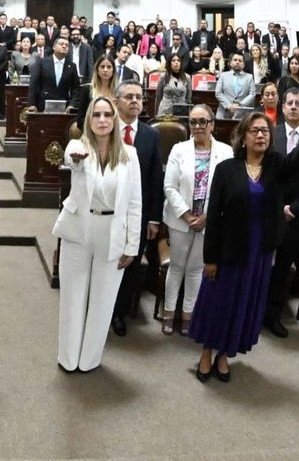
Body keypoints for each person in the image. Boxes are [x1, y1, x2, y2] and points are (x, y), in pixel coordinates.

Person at [189, 113, 299, 382]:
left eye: (265, 131)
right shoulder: (226, 169)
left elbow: (294, 162)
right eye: (254, 131)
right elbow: (213, 216)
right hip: (229, 250)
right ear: (243, 137)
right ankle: (206, 352)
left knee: (242, 303)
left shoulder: (275, 166)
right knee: (220, 303)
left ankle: (224, 355)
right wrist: (210, 258)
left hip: (258, 253)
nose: (261, 135)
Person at [54, 96, 142, 373]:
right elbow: (72, 159)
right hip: (79, 229)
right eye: (96, 115)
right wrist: (75, 157)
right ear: (88, 120)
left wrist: (132, 245)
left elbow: (135, 203)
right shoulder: (78, 147)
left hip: (112, 231)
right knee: (72, 297)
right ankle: (68, 358)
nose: (102, 120)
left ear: (115, 120)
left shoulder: (130, 154)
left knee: (103, 300)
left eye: (107, 115)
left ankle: (90, 359)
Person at [162, 105, 232, 336]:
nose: (198, 126)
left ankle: (188, 315)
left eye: (203, 121)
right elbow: (169, 187)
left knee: (195, 269)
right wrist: (186, 214)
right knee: (177, 267)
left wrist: (207, 218)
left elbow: (227, 191)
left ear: (212, 124)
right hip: (180, 219)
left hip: (209, 220)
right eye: (193, 122)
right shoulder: (179, 149)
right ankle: (169, 312)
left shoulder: (226, 152)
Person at [261, 87, 299, 337]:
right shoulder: (271, 134)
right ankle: (255, 312)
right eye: (289, 103)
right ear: (282, 107)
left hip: (296, 215)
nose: (293, 106)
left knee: (283, 268)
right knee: (262, 265)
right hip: (270, 211)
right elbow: (264, 173)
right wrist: (277, 206)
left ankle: (273, 316)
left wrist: (294, 208)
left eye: (298, 103)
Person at [110, 81, 164, 336]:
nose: (134, 101)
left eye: (139, 97)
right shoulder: (106, 128)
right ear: (116, 101)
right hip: (107, 211)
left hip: (137, 214)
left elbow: (155, 179)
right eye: (128, 96)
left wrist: (153, 218)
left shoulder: (150, 135)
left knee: (129, 264)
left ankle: (118, 313)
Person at [26, 36, 80, 112]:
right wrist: (32, 104)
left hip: (64, 107)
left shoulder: (72, 66)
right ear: (54, 47)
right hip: (42, 106)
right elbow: (34, 84)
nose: (64, 46)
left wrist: (72, 105)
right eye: (61, 44)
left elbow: (75, 88)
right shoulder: (42, 62)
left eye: (67, 45)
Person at [215, 52, 255, 119]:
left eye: (240, 61)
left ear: (244, 64)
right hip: (223, 113)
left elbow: (252, 94)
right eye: (235, 60)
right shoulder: (223, 75)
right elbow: (218, 93)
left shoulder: (249, 77)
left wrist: (239, 105)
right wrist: (229, 105)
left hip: (242, 114)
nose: (237, 62)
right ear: (230, 63)